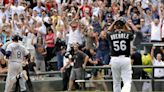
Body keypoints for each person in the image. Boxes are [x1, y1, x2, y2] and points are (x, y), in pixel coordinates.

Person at [108, 18, 133, 92]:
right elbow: (130, 31)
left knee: (116, 82)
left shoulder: (111, 34)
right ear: (123, 26)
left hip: (114, 59)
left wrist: (114, 22)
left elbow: (108, 31)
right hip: (125, 59)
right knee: (127, 81)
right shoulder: (127, 34)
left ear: (115, 26)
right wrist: (124, 23)